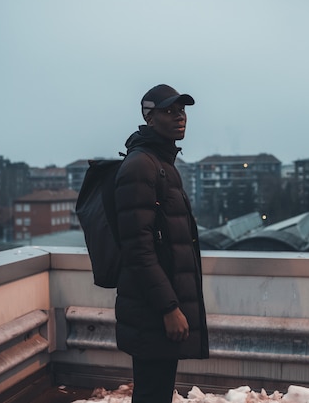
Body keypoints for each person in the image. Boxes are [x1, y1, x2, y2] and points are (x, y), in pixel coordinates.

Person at [114, 84, 209, 403]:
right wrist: (169, 307)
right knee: (152, 394)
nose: (179, 117)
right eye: (169, 111)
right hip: (152, 310)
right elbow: (138, 248)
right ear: (149, 118)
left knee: (157, 393)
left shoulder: (163, 165)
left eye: (181, 110)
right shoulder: (141, 166)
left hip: (157, 305)